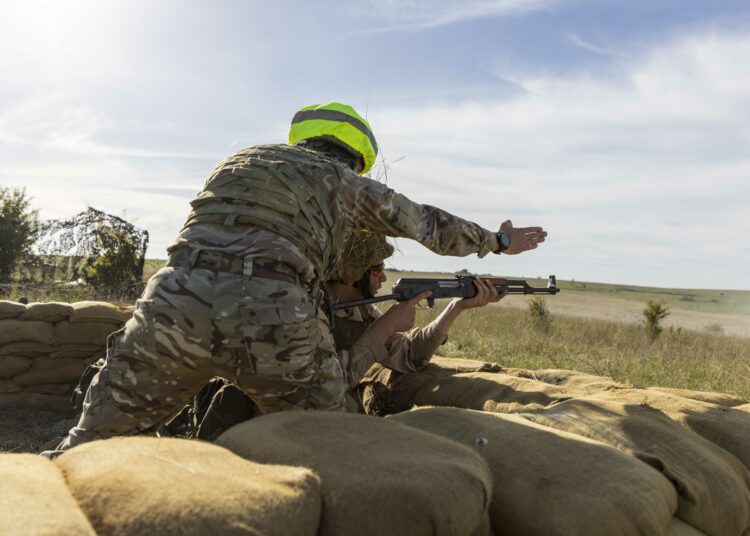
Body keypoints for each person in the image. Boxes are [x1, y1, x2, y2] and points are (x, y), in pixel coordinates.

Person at [46, 102, 546, 456]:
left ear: (304, 137)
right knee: (340, 443)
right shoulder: (339, 179)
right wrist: (498, 243)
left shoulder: (234, 163)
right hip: (272, 306)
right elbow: (425, 224)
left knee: (90, 445)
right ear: (356, 158)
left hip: (173, 297)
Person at [156, 230, 504, 440]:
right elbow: (322, 385)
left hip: (333, 422)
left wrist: (456, 307)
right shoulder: (300, 307)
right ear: (352, 275)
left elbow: (408, 357)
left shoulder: (360, 308)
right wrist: (383, 328)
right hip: (275, 424)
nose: (383, 279)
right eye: (378, 270)